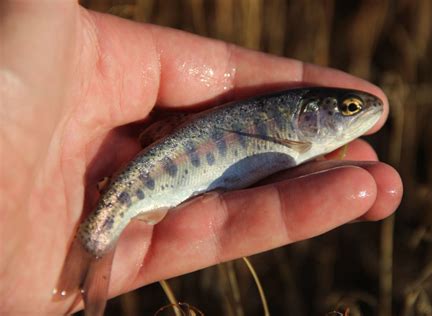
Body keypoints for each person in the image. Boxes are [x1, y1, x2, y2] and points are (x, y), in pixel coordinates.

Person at [0, 1, 402, 314]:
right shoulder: (298, 134)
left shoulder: (302, 139)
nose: (360, 114)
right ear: (308, 114)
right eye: (350, 108)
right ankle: (91, 246)